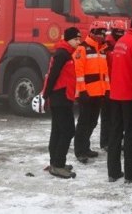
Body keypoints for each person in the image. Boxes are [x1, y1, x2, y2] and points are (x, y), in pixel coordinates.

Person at [107, 15, 132, 184]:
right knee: (131, 135)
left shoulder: (121, 42)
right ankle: (131, 174)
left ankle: (114, 172)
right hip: (130, 96)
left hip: (115, 94)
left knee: (115, 133)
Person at [42, 27, 81, 179]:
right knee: (68, 130)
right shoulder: (62, 54)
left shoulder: (65, 53)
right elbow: (52, 76)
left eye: (79, 39)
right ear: (69, 39)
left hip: (63, 97)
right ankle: (58, 165)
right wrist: (46, 95)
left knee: (58, 131)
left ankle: (55, 162)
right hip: (60, 98)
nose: (79, 42)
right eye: (76, 39)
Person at [73, 20, 109, 163]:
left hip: (98, 93)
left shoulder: (102, 49)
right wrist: (82, 91)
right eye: (100, 33)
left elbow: (105, 74)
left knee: (93, 122)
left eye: (103, 33)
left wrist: (107, 90)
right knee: (83, 122)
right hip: (86, 94)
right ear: (92, 33)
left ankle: (85, 147)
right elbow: (78, 72)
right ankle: (79, 150)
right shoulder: (82, 49)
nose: (102, 36)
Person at [100, 20, 126, 151]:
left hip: (118, 85)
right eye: (118, 32)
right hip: (107, 85)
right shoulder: (107, 45)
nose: (120, 34)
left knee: (116, 116)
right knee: (107, 115)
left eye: (122, 32)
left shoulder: (122, 44)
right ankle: (105, 141)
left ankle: (115, 140)